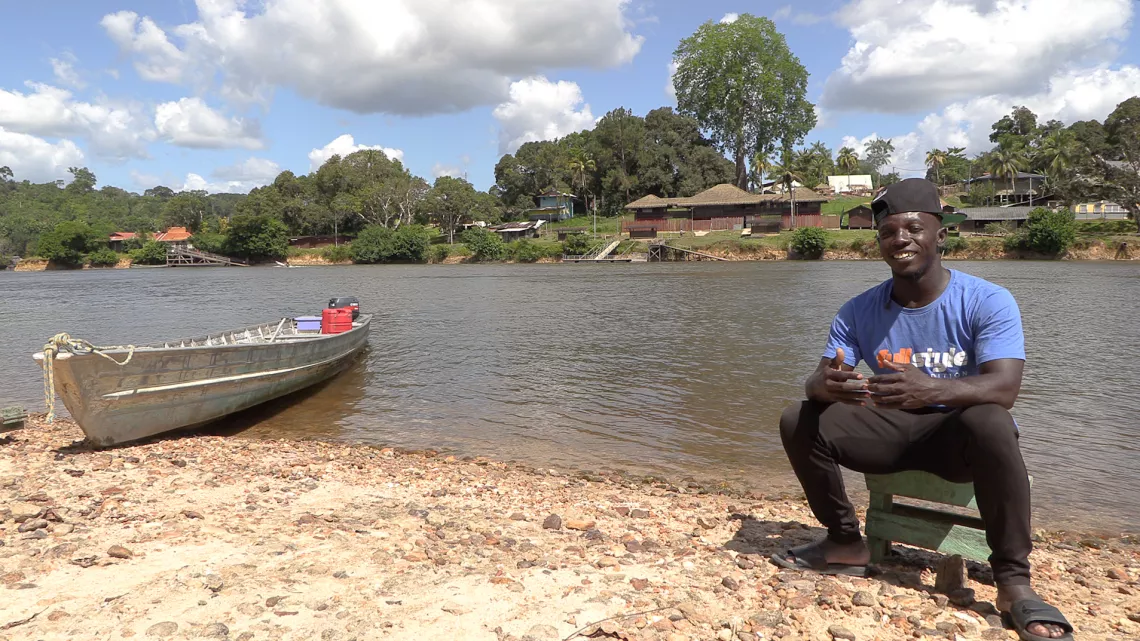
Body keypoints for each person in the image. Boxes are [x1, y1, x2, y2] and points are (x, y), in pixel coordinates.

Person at [772, 178, 1073, 641]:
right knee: (799, 417)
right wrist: (823, 385)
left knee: (992, 418)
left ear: (940, 235)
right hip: (889, 433)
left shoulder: (986, 300)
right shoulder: (857, 310)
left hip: (956, 440)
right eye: (888, 232)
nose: (900, 240)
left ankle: (1013, 581)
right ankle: (846, 542)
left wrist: (930, 388)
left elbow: (1005, 386)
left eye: (913, 227)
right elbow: (821, 376)